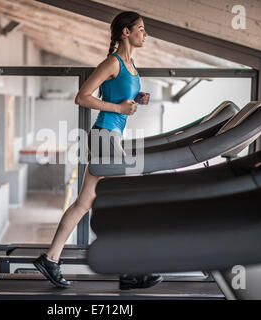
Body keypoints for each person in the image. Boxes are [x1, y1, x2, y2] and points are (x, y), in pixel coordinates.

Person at [33, 11, 163, 290]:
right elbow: (82, 97)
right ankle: (131, 270)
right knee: (132, 199)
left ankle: (50, 258)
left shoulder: (131, 64)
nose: (145, 34)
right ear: (125, 32)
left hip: (109, 136)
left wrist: (134, 100)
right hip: (105, 135)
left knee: (84, 202)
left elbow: (119, 98)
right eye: (140, 29)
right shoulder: (112, 62)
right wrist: (118, 107)